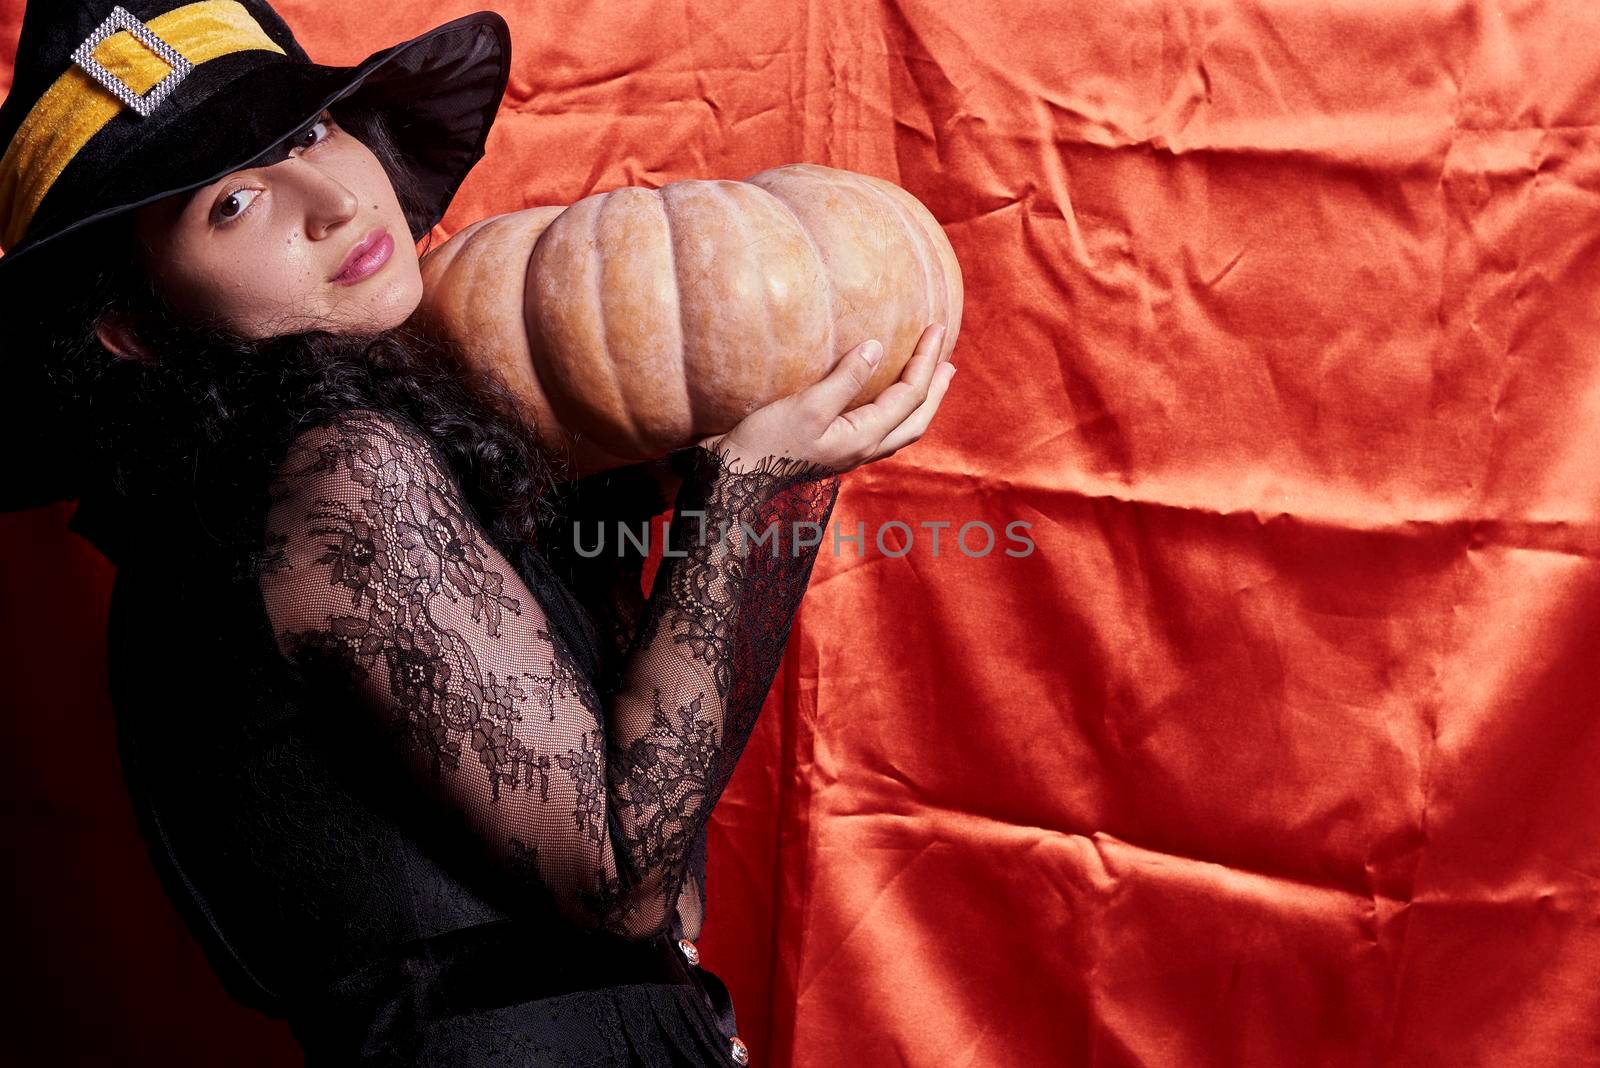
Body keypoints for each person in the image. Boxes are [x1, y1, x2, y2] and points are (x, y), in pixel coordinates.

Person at [0, 2, 956, 1065]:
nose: (327, 199)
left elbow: (663, 881)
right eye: (232, 203)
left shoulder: (267, 483)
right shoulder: (339, 472)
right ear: (133, 328)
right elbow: (625, 885)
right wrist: (746, 498)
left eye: (310, 132)